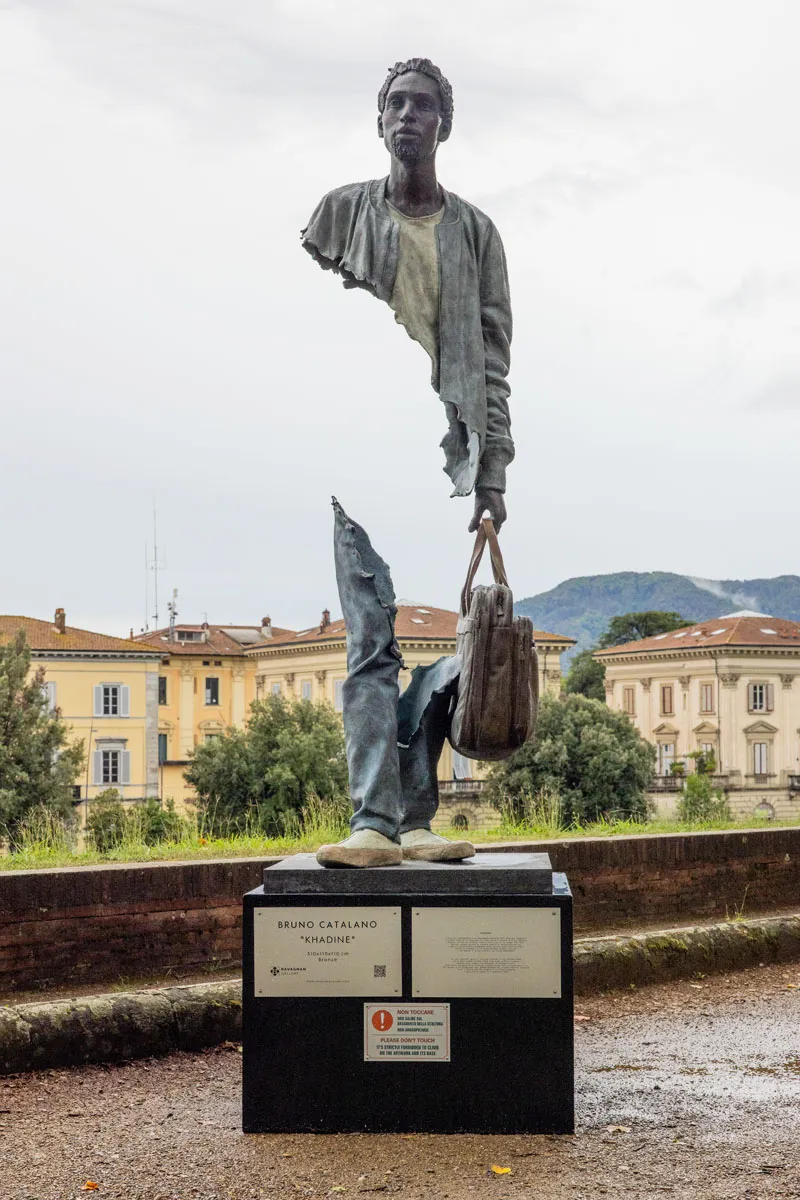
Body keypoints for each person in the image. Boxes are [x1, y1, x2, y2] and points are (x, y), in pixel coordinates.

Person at [302, 58, 515, 868]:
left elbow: (493, 358)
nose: (408, 116)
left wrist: (493, 471)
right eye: (396, 103)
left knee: (462, 643)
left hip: (449, 455)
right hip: (354, 454)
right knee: (367, 643)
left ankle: (415, 814)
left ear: (444, 125)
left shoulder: (476, 232)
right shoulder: (338, 214)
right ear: (379, 118)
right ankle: (372, 820)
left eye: (423, 105)